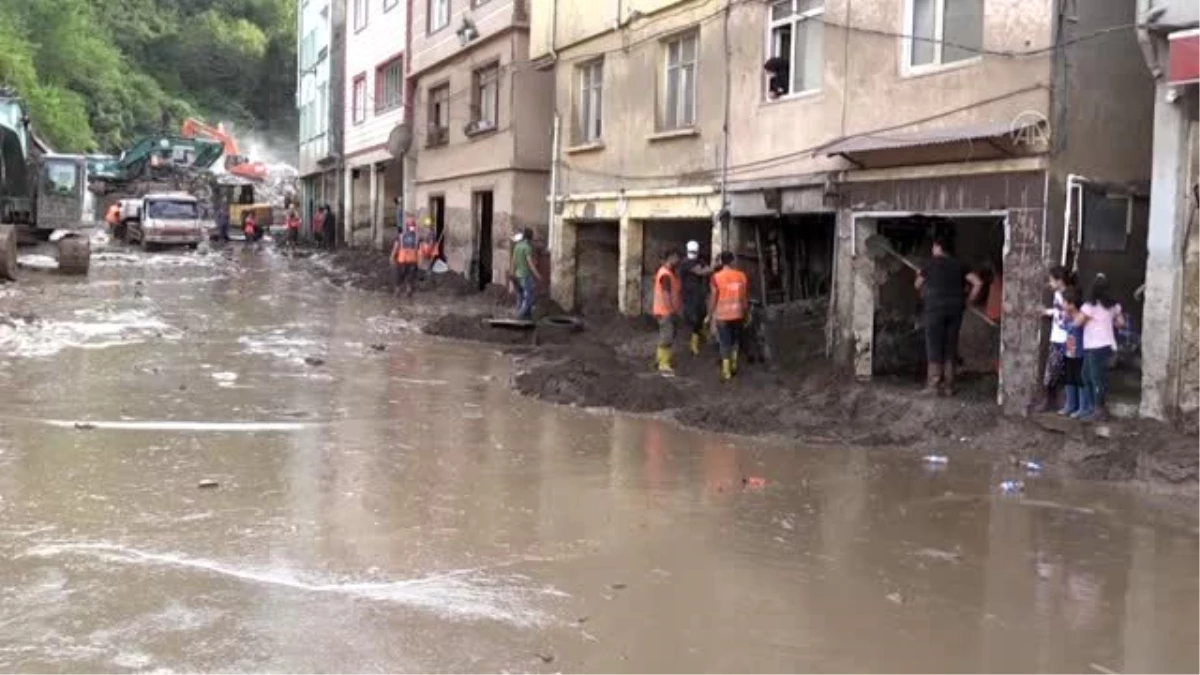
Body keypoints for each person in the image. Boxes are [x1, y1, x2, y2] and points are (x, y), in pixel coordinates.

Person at [914, 235, 984, 396]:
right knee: (950, 345)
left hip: (934, 310)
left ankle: (933, 385)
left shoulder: (929, 264)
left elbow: (917, 285)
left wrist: (919, 273)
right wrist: (967, 301)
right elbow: (978, 283)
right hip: (955, 310)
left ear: (938, 247)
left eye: (933, 247)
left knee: (934, 345)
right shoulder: (960, 264)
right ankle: (949, 386)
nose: (932, 250)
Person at [1073, 274, 1124, 421]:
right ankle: (1096, 407)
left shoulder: (1089, 307)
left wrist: (1074, 312)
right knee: (1091, 377)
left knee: (1093, 378)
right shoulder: (1113, 306)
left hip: (1095, 346)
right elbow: (1121, 323)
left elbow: (1077, 323)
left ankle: (1098, 410)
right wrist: (1108, 321)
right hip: (1106, 345)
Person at [708, 251, 749, 382]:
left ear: (721, 262)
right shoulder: (741, 276)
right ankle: (734, 365)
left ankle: (726, 372)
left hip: (723, 316)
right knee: (735, 340)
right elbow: (744, 298)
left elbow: (713, 298)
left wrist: (710, 315)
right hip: (738, 314)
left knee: (725, 342)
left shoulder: (716, 277)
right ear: (732, 261)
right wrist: (746, 313)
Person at [1040, 266, 1074, 411]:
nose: (1050, 283)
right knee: (1055, 371)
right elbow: (1059, 311)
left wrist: (1048, 312)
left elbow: (1066, 315)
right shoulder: (1059, 294)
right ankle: (1054, 402)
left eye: (1051, 280)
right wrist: (1047, 311)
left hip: (1064, 337)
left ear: (1060, 281)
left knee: (1056, 371)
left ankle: (1055, 403)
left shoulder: (1068, 296)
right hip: (1059, 336)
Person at [652, 248, 683, 376]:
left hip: (664, 310)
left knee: (666, 336)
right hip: (665, 311)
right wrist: (671, 311)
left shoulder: (669, 273)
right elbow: (666, 294)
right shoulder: (665, 274)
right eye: (677, 257)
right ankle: (663, 365)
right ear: (671, 257)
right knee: (667, 337)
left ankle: (660, 360)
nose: (678, 260)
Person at [679, 240, 712, 356]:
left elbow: (705, 269)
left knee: (701, 316)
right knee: (692, 318)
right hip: (689, 296)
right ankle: (693, 344)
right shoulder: (685, 263)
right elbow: (701, 272)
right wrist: (715, 267)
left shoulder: (699, 261)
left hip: (699, 295)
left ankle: (697, 339)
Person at [1058, 287, 1086, 417]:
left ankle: (1082, 407)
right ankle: (1070, 405)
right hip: (1069, 351)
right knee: (1069, 378)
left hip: (1080, 353)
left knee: (1080, 379)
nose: (1062, 304)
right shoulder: (1067, 316)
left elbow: (1073, 327)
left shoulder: (1081, 317)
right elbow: (1062, 326)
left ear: (1072, 304)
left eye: (1064, 302)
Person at [509, 228, 541, 321]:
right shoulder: (527, 247)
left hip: (517, 275)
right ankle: (519, 316)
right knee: (529, 298)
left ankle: (526, 317)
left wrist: (511, 272)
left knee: (520, 296)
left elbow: (513, 260)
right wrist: (537, 275)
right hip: (525, 276)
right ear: (530, 236)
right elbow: (530, 263)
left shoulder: (517, 246)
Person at [391, 217, 420, 297]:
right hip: (412, 261)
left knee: (399, 279)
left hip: (402, 261)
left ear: (406, 226)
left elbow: (396, 247)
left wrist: (392, 257)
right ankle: (409, 295)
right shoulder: (417, 237)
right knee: (410, 280)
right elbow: (418, 250)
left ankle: (397, 294)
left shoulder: (400, 236)